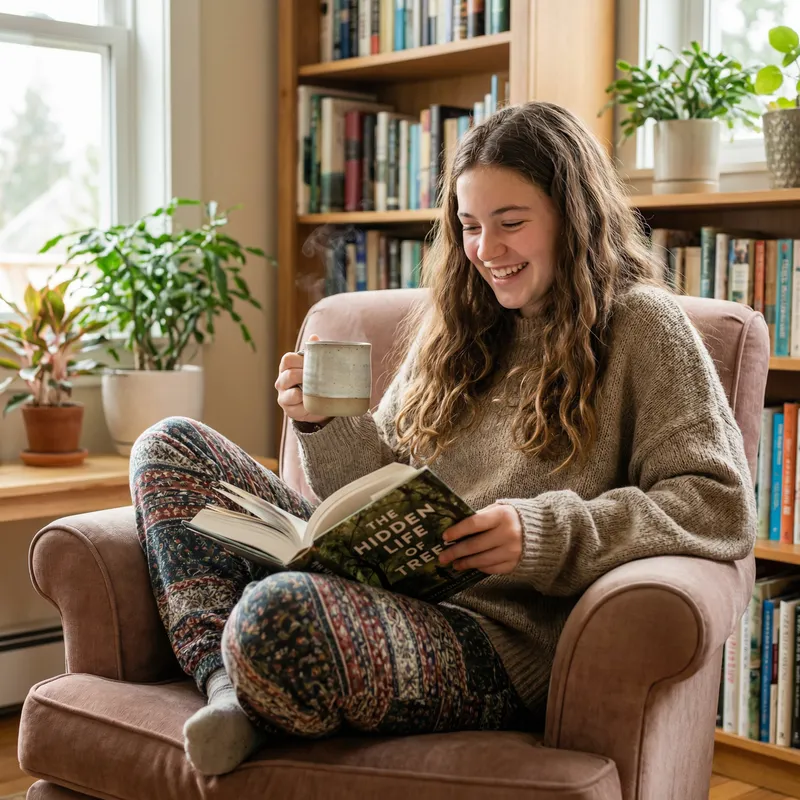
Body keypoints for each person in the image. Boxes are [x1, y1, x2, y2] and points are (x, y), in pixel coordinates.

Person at [130, 100, 756, 777]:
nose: (486, 251)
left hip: (493, 639)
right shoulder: (456, 324)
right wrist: (322, 423)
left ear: (574, 218)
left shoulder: (643, 327)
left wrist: (543, 534)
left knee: (276, 616)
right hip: (385, 593)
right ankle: (230, 692)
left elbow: (717, 504)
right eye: (469, 226)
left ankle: (255, 680)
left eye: (511, 223)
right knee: (169, 445)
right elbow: (371, 488)